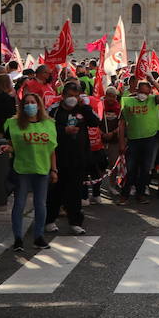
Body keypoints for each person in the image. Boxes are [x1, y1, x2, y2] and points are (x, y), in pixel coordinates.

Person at [0, 93, 58, 253]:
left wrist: (54, 169)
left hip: (42, 169)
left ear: (39, 105)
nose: (30, 105)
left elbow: (52, 150)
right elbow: (12, 145)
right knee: (19, 204)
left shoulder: (49, 124)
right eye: (26, 103)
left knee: (40, 205)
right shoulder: (13, 123)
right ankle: (18, 239)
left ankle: (38, 237)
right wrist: (8, 148)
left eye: (33, 102)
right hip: (22, 169)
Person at [46, 81, 100, 236]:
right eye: (70, 96)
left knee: (75, 192)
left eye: (76, 96)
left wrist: (85, 107)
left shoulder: (82, 109)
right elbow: (45, 127)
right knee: (55, 191)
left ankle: (75, 222)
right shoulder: (54, 110)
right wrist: (63, 130)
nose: (73, 99)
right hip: (58, 157)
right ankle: (49, 220)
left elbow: (95, 122)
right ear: (63, 96)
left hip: (78, 158)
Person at [119, 76, 159, 203]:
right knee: (131, 169)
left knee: (145, 169)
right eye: (141, 92)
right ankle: (125, 195)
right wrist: (122, 142)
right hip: (133, 140)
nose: (143, 95)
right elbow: (122, 124)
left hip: (149, 140)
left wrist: (153, 81)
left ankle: (140, 194)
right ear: (137, 90)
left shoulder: (152, 100)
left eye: (146, 92)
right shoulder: (128, 102)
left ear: (150, 92)